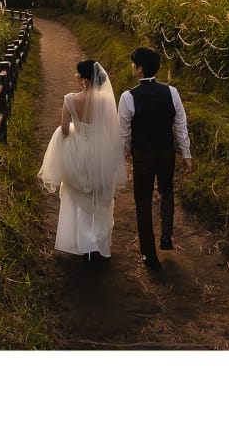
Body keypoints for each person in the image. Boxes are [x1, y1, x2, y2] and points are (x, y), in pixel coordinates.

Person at [37, 59, 127, 260]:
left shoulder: (70, 99)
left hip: (77, 153)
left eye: (78, 73)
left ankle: (82, 243)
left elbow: (64, 129)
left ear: (85, 79)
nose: (75, 76)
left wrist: (76, 131)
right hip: (101, 153)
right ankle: (99, 244)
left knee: (77, 195)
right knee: (99, 196)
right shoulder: (106, 101)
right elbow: (112, 130)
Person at [118, 46, 192, 271]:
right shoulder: (172, 92)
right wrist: (186, 154)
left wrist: (122, 155)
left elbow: (124, 133)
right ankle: (166, 235)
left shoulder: (128, 97)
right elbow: (180, 125)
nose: (132, 67)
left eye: (134, 64)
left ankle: (149, 253)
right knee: (166, 191)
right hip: (166, 152)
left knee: (143, 200)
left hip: (143, 155)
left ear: (140, 69)